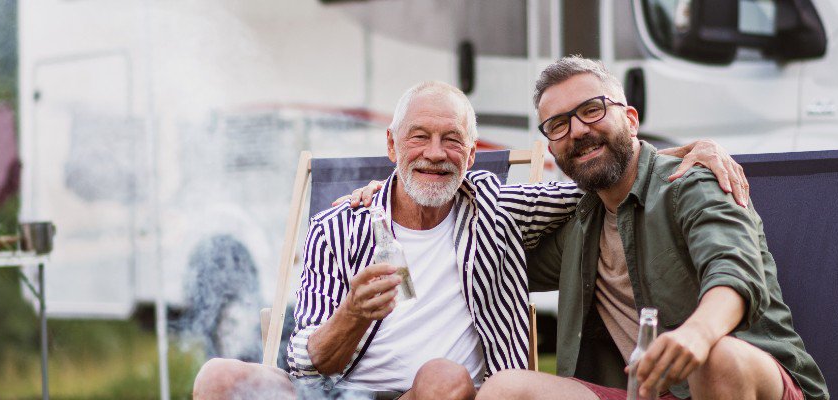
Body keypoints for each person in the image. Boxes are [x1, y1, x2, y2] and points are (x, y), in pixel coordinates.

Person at [193, 81, 742, 400]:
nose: (435, 153)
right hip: (337, 394)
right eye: (419, 137)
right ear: (392, 146)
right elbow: (305, 361)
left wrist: (693, 146)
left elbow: (599, 170)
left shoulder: (495, 208)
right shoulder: (338, 227)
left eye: (452, 140)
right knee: (218, 376)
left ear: (472, 153)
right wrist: (353, 315)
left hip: (444, 395)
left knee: (441, 377)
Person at [474, 57, 827, 400]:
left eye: (592, 110)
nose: (578, 130)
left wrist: (698, 335)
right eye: (558, 125)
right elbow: (489, 264)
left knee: (716, 360)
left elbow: (735, 271)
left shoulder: (693, 183)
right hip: (643, 392)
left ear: (630, 120)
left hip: (744, 380)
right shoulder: (579, 226)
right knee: (505, 389)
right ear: (551, 146)